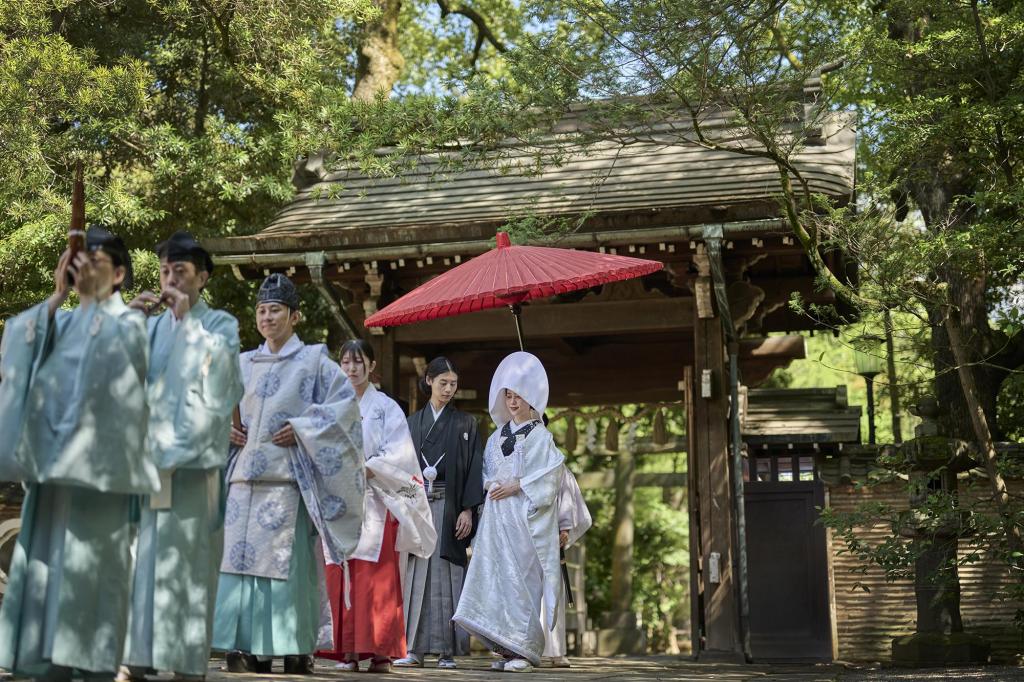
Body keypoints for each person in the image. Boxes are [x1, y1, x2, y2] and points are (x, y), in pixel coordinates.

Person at [0, 228, 160, 680]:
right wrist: (56, 295)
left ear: (119, 273)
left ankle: (100, 664)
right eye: (78, 259)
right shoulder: (58, 321)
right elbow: (15, 347)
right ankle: (45, 658)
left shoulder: (131, 322)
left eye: (96, 259)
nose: (84, 266)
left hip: (101, 477)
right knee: (48, 572)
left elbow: (121, 369)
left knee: (96, 573)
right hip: (51, 469)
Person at [212, 274, 364, 675]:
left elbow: (345, 407)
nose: (267, 317)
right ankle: (244, 646)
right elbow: (215, 408)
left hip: (288, 480)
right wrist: (222, 429)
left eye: (275, 310)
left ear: (295, 316)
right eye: (261, 310)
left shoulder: (315, 361)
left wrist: (302, 427)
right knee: (239, 566)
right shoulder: (242, 363)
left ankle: (297, 646)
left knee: (289, 569)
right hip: (243, 479)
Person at [119, 232, 244, 681]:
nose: (171, 279)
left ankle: (189, 659)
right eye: (165, 270)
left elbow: (229, 383)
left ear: (203, 278)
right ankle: (141, 653)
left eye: (181, 271)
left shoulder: (222, 325)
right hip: (154, 464)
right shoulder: (152, 326)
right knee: (147, 557)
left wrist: (189, 321)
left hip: (196, 465)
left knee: (192, 561)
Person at [318, 340, 436, 673]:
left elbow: (400, 453)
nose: (351, 368)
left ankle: (380, 651)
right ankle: (349, 651)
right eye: (345, 362)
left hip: (375, 499)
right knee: (343, 572)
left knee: (375, 576)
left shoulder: (386, 407)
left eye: (358, 362)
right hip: (340, 500)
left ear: (371, 366)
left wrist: (369, 468)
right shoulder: (331, 405)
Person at [452, 352, 564, 673]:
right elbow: (485, 471)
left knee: (523, 579)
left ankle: (525, 649)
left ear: (532, 398)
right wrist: (490, 485)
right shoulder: (495, 437)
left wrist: (518, 485)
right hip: (496, 519)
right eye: (509, 395)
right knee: (498, 578)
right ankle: (505, 647)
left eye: (519, 396)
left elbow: (552, 473)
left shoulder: (541, 437)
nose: (514, 402)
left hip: (524, 518)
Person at [395, 357, 484, 670]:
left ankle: (447, 649)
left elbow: (475, 469)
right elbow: (400, 469)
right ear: (429, 381)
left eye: (453, 384)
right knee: (416, 574)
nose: (449, 389)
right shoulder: (411, 424)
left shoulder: (466, 424)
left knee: (449, 575)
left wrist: (468, 510)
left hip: (450, 506)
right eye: (443, 383)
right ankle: (414, 648)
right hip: (418, 506)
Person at [541, 467, 592, 668]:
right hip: (520, 533)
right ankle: (520, 649)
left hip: (549, 532)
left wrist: (565, 526)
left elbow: (567, 493)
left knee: (552, 591)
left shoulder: (556, 465)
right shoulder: (515, 458)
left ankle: (555, 650)